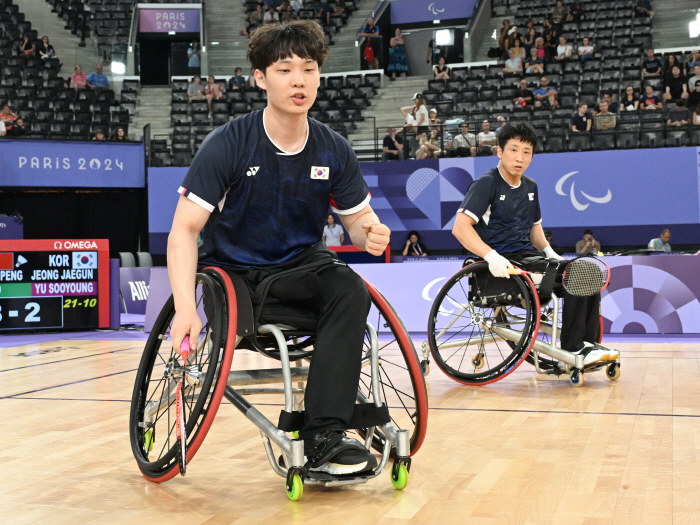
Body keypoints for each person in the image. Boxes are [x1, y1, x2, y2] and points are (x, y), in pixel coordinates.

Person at [170, 21, 390, 476]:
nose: (298, 81)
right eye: (285, 69)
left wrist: (370, 233)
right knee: (322, 286)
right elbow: (184, 231)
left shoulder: (334, 149)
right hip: (236, 276)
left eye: (308, 70)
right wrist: (184, 308)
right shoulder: (228, 144)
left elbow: (355, 223)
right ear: (259, 78)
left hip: (298, 269)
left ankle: (325, 436)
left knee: (351, 290)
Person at [453, 122, 617, 366]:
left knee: (589, 269)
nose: (520, 158)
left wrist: (552, 253)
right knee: (576, 273)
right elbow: (460, 228)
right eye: (513, 150)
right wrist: (491, 257)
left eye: (526, 152)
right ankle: (573, 349)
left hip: (528, 256)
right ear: (500, 151)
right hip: (501, 264)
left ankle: (589, 344)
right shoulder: (486, 184)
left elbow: (535, 229)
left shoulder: (531, 187)